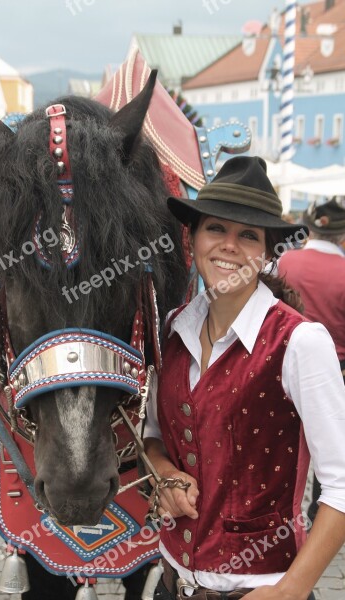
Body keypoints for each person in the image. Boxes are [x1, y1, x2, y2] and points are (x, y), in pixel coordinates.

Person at [143, 156, 345, 600]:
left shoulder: (300, 342)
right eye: (216, 228)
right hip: (173, 584)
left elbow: (341, 486)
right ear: (191, 238)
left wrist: (291, 591)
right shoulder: (171, 331)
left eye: (248, 235)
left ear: (268, 253)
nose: (229, 246)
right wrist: (164, 475)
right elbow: (153, 437)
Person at [278, 197, 345, 523]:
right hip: (337, 368)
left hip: (278, 360)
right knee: (330, 444)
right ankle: (322, 506)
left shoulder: (285, 260)